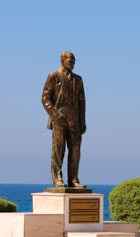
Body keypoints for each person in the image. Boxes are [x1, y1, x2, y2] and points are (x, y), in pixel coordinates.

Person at [42, 51, 86, 188]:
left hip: (74, 121)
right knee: (58, 149)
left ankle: (73, 179)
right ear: (62, 60)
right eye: (70, 60)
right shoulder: (53, 76)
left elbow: (82, 102)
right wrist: (54, 115)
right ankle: (57, 178)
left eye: (74, 61)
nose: (72, 63)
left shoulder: (78, 80)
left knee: (75, 150)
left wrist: (82, 121)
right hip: (59, 118)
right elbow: (45, 98)